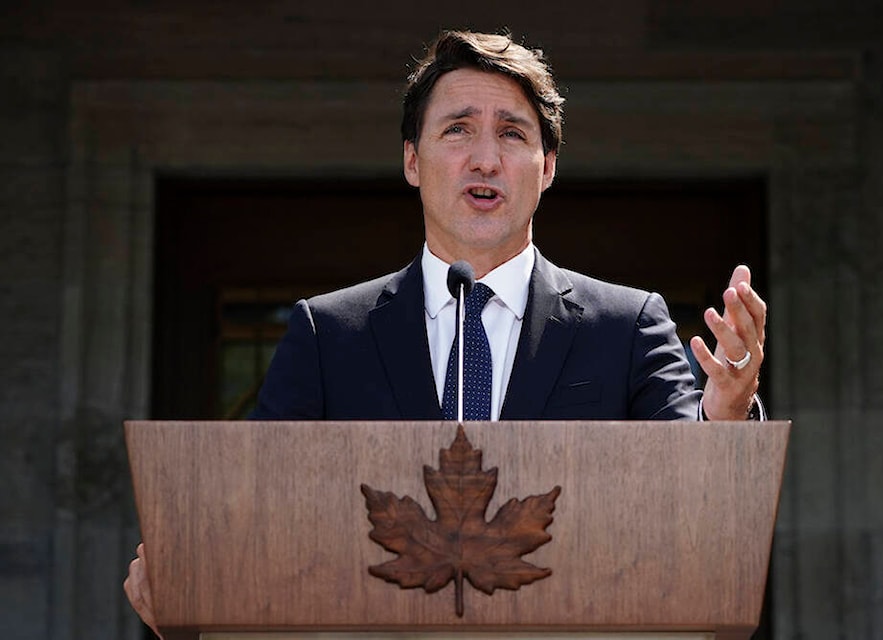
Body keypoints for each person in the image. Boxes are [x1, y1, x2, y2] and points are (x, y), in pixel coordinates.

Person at [125, 29, 766, 637]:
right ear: (412, 160)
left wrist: (725, 415)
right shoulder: (329, 333)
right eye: (458, 130)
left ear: (546, 168)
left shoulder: (627, 326)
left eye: (512, 134)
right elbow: (255, 520)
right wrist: (191, 581)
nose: (484, 158)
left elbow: (689, 519)